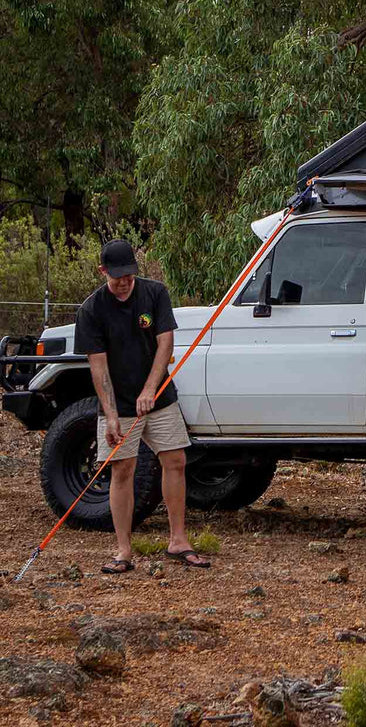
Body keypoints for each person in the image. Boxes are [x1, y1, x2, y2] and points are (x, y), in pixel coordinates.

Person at [75, 239, 210, 573]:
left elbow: (165, 344)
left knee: (175, 460)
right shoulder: (91, 310)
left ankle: (178, 541)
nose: (125, 281)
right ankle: (123, 551)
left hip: (159, 396)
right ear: (103, 271)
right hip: (117, 403)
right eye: (118, 275)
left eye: (130, 274)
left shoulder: (155, 293)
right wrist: (110, 415)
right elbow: (98, 367)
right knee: (123, 469)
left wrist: (150, 389)